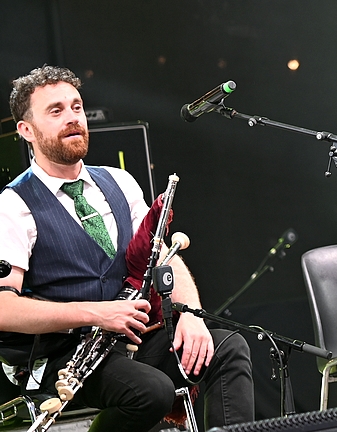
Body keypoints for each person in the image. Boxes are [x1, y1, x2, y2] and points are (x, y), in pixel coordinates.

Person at [0, 66, 253, 432]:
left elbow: (162, 254)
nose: (73, 118)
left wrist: (191, 314)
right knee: (151, 391)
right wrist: (97, 314)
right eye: (56, 111)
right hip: (59, 356)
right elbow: (4, 308)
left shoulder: (119, 181)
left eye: (76, 107)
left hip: (130, 341)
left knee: (228, 347)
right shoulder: (12, 205)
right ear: (26, 130)